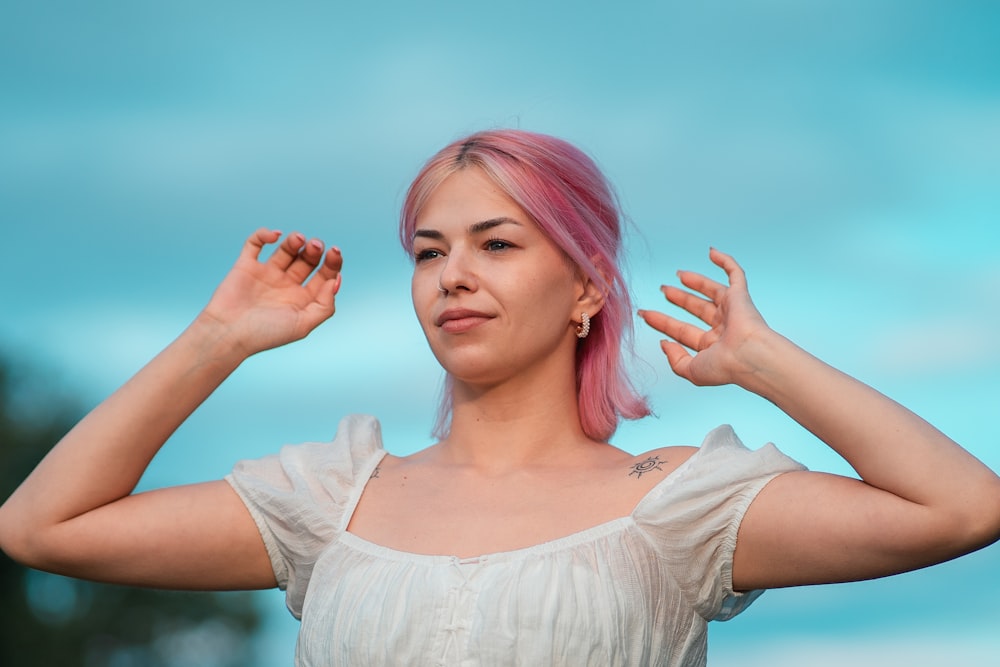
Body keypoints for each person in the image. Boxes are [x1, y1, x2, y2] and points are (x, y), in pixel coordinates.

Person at [1, 129, 998, 667]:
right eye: (429, 251)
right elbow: (41, 528)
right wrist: (216, 340)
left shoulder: (676, 504)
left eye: (497, 243)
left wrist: (767, 363)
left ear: (585, 290)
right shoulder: (331, 498)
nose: (451, 275)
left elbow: (961, 508)